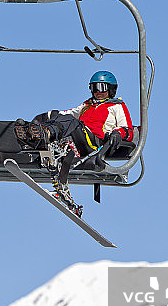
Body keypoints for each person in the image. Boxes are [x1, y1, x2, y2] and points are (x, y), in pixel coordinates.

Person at [13, 71, 135, 214]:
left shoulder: (116, 106)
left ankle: (44, 134)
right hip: (77, 140)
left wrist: (117, 133)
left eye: (102, 87)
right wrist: (49, 116)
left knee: (73, 123)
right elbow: (68, 114)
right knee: (62, 118)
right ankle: (32, 138)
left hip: (94, 144)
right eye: (94, 88)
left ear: (111, 89)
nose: (98, 91)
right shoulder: (87, 105)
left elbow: (128, 130)